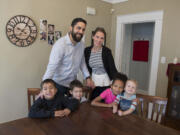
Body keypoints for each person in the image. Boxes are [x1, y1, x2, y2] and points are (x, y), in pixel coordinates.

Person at [43, 18, 94, 95]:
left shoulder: (81, 45)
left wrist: (87, 77)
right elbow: (51, 67)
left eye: (83, 29)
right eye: (78, 28)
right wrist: (44, 88)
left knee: (73, 106)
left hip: (72, 85)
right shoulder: (60, 45)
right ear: (71, 28)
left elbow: (82, 62)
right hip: (58, 85)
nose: (81, 31)